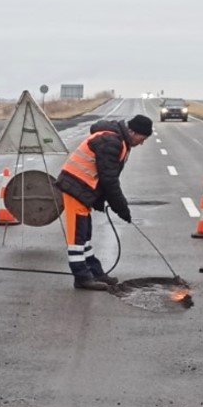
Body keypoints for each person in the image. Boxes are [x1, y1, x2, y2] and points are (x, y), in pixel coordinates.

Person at [52, 114, 154, 290]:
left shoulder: (118, 140)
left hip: (82, 190)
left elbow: (103, 176)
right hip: (75, 188)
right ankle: (82, 278)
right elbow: (109, 180)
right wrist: (121, 208)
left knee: (85, 236)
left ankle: (95, 273)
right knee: (77, 238)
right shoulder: (111, 141)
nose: (142, 142)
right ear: (133, 131)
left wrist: (99, 200)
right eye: (142, 138)